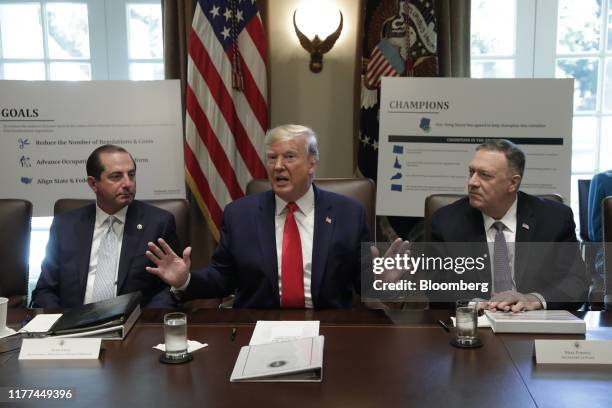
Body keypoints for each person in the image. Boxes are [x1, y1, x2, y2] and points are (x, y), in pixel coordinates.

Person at [145, 124, 370, 308]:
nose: (278, 166)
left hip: (328, 325)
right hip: (257, 325)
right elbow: (223, 278)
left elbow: (364, 281)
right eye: (272, 158)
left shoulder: (349, 213)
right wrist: (185, 281)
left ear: (312, 164)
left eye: (289, 157)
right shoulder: (240, 214)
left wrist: (387, 282)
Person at [430, 139, 588, 311]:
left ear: (512, 183)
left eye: (485, 175)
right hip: (477, 323)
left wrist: (534, 299)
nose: (472, 182)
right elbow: (435, 285)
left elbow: (577, 282)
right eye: (471, 172)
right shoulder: (447, 221)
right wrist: (473, 303)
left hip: (534, 323)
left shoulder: (554, 218)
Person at [32, 145, 180, 308]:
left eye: (131, 175)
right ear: (93, 183)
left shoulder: (158, 223)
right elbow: (45, 290)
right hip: (71, 325)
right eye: (116, 176)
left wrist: (143, 324)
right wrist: (58, 326)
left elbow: (168, 288)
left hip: (133, 325)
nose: (128, 183)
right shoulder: (65, 225)